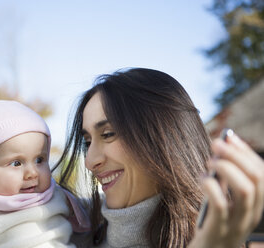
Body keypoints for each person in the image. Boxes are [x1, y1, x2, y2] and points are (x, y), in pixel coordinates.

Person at [54, 68, 264, 247]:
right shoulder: (60, 232)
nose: (90, 162)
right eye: (88, 142)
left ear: (163, 138)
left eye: (108, 134)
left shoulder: (217, 240)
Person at [0, 100, 89, 248]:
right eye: (16, 163)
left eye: (39, 160)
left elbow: (93, 207)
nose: (32, 173)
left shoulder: (56, 195)